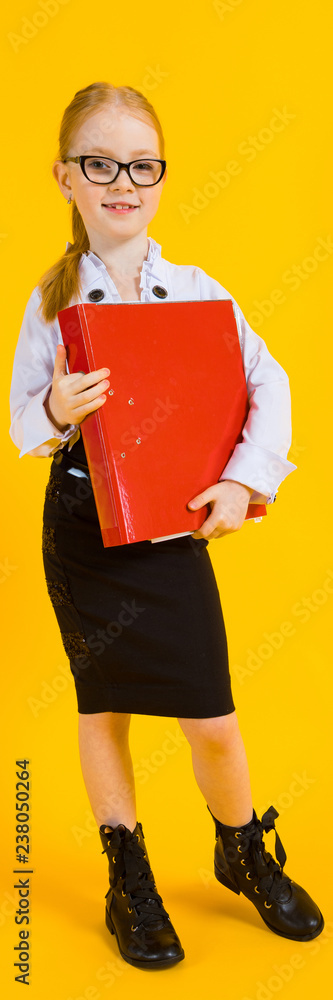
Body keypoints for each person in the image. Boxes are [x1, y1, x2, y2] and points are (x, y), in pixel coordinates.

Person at [9, 81, 324, 971]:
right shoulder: (50, 301)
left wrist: (239, 482)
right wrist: (55, 405)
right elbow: (19, 421)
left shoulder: (194, 290)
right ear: (66, 176)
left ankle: (242, 851)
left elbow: (273, 384)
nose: (123, 181)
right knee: (101, 704)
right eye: (100, 163)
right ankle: (129, 875)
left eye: (140, 165)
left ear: (160, 177)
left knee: (212, 718)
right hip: (82, 526)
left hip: (169, 526)